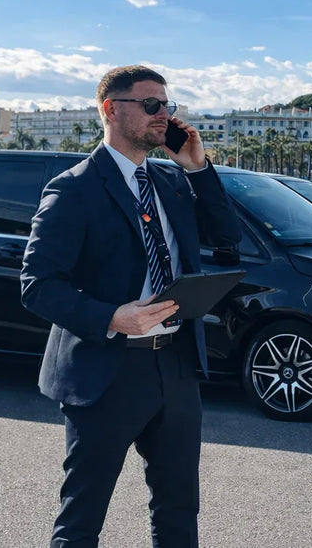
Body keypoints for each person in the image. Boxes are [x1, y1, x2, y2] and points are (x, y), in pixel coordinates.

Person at [21, 65, 241, 547]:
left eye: (168, 105)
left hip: (177, 367)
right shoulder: (73, 189)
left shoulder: (171, 183)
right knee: (82, 518)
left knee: (179, 511)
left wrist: (199, 169)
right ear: (111, 110)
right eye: (151, 105)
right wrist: (111, 317)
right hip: (107, 371)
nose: (164, 115)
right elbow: (37, 285)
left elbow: (227, 239)